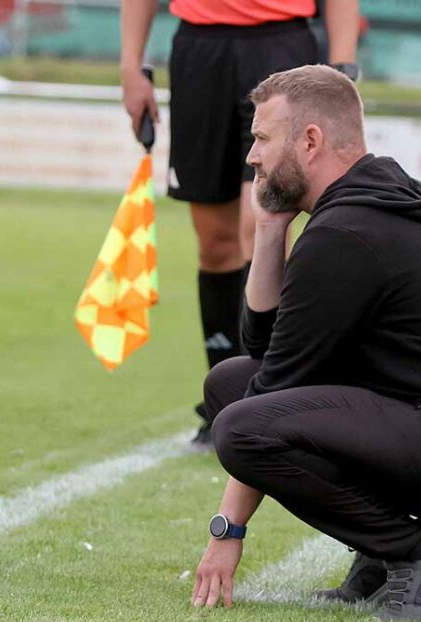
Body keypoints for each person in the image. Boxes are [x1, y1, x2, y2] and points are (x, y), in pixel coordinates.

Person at [190, 65, 421, 622]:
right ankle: (378, 556)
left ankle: (418, 553)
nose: (251, 156)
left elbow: (272, 390)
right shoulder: (361, 209)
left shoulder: (347, 233)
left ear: (311, 141)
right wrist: (271, 230)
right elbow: (262, 344)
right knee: (227, 384)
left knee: (239, 424)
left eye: (262, 139)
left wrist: (228, 528)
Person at [119, 0, 360, 445]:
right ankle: (223, 403)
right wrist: (130, 66)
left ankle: (269, 397)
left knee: (262, 223)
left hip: (282, 45)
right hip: (199, 50)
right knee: (214, 241)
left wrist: (342, 69)